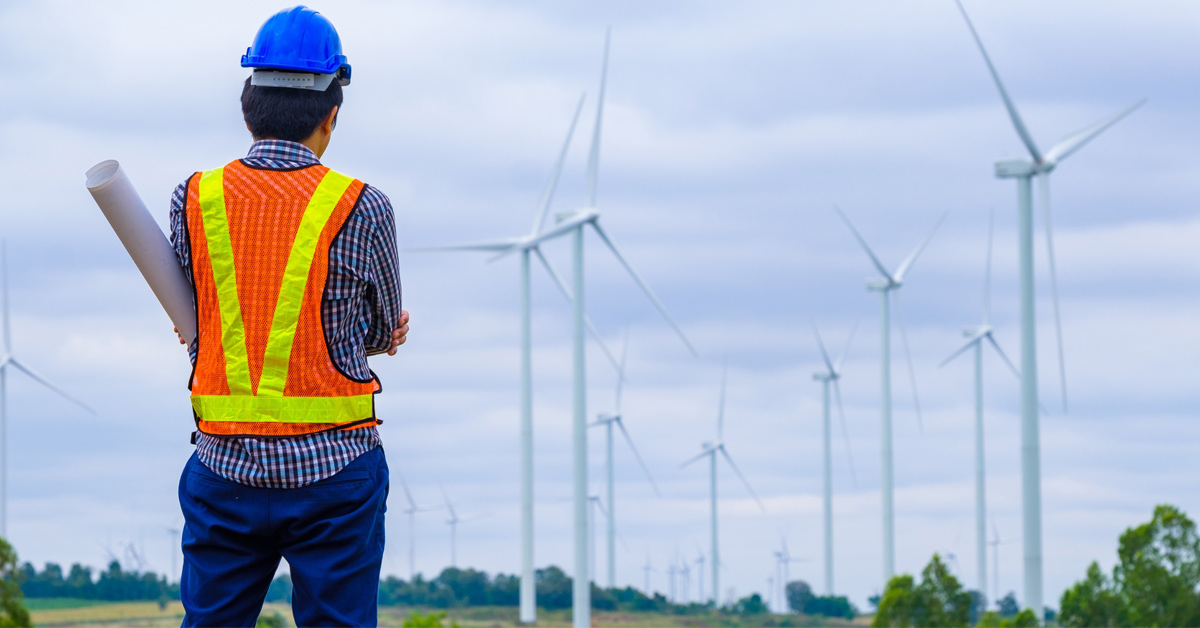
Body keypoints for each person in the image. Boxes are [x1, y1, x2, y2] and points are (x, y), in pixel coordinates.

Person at [167, 6, 407, 626]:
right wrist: (382, 334)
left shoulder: (195, 197)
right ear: (332, 115)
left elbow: (196, 307)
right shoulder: (363, 206)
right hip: (336, 473)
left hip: (223, 468)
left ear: (248, 107)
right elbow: (379, 331)